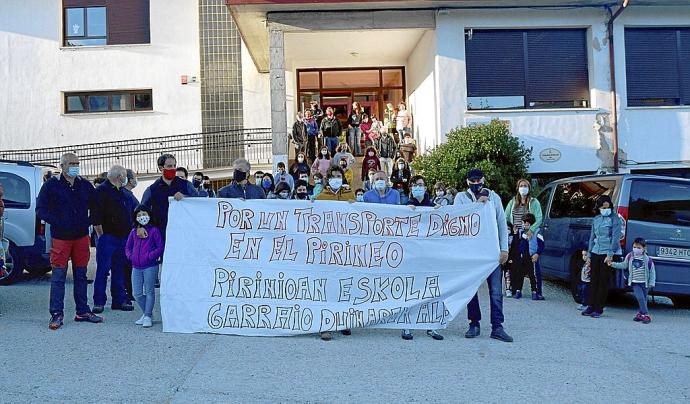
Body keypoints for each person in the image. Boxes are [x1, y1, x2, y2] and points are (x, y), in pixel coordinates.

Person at [37, 152, 102, 330]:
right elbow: (41, 209)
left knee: (81, 275)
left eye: (77, 163)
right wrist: (58, 221)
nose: (75, 166)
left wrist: (89, 222)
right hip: (60, 238)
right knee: (58, 277)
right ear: (62, 166)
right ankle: (56, 314)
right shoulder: (50, 186)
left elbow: (96, 206)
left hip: (81, 237)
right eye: (71, 163)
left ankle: (82, 311)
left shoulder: (85, 185)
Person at [454, 168, 513, 342]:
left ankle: (497, 326)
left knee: (496, 291)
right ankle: (474, 323)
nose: (475, 184)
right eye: (472, 181)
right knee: (471, 290)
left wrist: (504, 249)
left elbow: (501, 223)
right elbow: (460, 219)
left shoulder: (494, 197)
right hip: (471, 253)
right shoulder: (461, 198)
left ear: (483, 180)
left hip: (491, 252)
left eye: (478, 180)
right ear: (467, 182)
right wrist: (479, 204)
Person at [402, 175, 443, 340]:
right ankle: (406, 326)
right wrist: (406, 211)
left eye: (421, 185)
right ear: (411, 188)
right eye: (415, 185)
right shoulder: (405, 206)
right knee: (410, 290)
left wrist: (441, 211)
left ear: (426, 188)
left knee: (431, 291)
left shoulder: (434, 206)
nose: (418, 188)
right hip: (412, 255)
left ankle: (431, 326)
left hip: (430, 255)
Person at [315, 166, 354, 340]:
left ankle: (343, 321)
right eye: (333, 176)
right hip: (326, 249)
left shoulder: (350, 196)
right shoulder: (321, 197)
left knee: (344, 286)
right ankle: (325, 325)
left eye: (339, 176)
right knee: (326, 287)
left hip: (345, 249)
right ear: (328, 179)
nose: (336, 178)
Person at [91, 165, 135, 313]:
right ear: (119, 177)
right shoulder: (101, 191)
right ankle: (99, 301)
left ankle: (119, 300)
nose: (126, 178)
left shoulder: (123, 192)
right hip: (108, 237)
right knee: (103, 270)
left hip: (122, 237)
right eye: (124, 176)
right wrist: (101, 236)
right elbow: (96, 217)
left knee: (119, 270)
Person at [583, 195, 623, 318]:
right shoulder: (596, 219)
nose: (606, 209)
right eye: (603, 207)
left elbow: (616, 238)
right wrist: (589, 254)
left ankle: (598, 308)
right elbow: (592, 238)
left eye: (608, 206)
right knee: (593, 279)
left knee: (602, 281)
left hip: (608, 253)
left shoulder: (615, 219)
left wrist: (610, 254)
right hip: (596, 251)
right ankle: (590, 305)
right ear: (599, 207)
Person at [125, 205, 164, 328]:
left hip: (150, 266)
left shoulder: (154, 230)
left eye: (144, 214)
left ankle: (147, 315)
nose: (142, 217)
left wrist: (149, 256)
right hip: (136, 266)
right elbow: (128, 247)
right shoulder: (133, 232)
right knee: (137, 293)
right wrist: (131, 257)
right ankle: (147, 313)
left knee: (149, 291)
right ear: (135, 218)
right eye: (139, 215)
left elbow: (160, 247)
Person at [609, 237, 655, 324]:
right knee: (640, 298)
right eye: (634, 247)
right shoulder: (630, 256)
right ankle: (646, 315)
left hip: (645, 283)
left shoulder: (648, 259)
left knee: (644, 299)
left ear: (644, 248)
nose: (636, 249)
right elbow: (623, 265)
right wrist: (613, 264)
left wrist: (652, 282)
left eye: (639, 248)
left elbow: (652, 272)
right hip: (635, 282)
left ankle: (640, 314)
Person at [509, 213, 545, 300]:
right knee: (520, 274)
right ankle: (518, 290)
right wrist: (515, 233)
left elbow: (541, 244)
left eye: (527, 224)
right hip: (523, 257)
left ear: (531, 224)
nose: (525, 225)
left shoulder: (537, 232)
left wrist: (537, 254)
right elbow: (518, 243)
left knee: (533, 275)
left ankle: (535, 292)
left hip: (532, 257)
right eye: (523, 223)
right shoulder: (521, 232)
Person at [122, 168, 139, 303]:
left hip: (129, 234)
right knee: (126, 267)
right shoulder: (126, 195)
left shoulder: (128, 194)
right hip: (127, 235)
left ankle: (128, 292)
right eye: (134, 177)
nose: (135, 180)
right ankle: (127, 293)